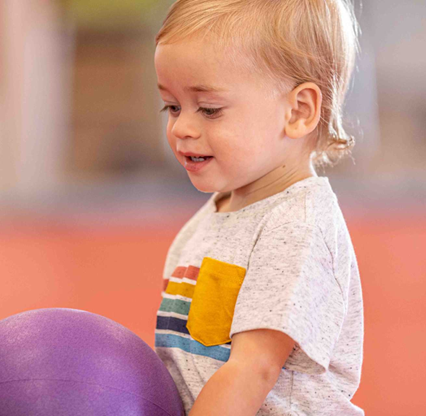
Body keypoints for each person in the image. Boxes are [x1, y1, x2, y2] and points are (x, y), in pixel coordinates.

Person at [153, 1, 364, 415]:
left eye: (209, 109)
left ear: (298, 111)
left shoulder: (296, 227)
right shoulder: (214, 215)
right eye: (173, 107)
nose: (181, 127)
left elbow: (254, 368)